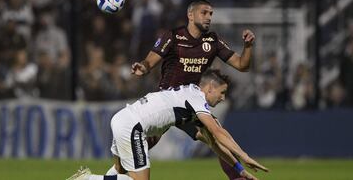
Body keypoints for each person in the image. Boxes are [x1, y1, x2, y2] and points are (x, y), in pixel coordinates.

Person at [130, 0, 255, 179]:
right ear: (191, 15)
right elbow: (150, 60)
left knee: (219, 138)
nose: (209, 17)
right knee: (142, 145)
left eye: (211, 13)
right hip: (166, 102)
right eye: (204, 12)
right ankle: (112, 174)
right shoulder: (173, 36)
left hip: (190, 105)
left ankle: (238, 177)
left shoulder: (212, 41)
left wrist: (248, 46)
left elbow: (242, 65)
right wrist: (143, 67)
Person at [66, 69, 268, 180]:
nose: (223, 98)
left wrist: (239, 169)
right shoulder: (196, 98)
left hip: (123, 118)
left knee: (119, 171)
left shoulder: (188, 97)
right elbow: (217, 131)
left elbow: (214, 143)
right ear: (209, 88)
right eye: (222, 93)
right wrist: (245, 156)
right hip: (133, 126)